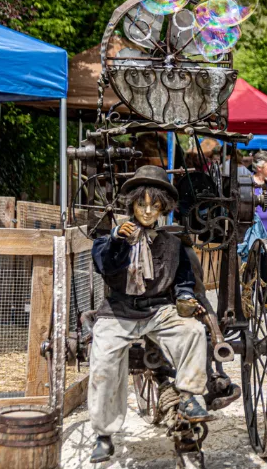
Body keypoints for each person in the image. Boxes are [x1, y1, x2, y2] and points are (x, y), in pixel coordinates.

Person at [88, 166, 212, 463]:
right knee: (103, 359)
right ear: (131, 204)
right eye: (141, 204)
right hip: (118, 312)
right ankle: (104, 434)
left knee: (193, 331)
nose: (146, 210)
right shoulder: (111, 239)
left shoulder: (172, 243)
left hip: (158, 310)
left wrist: (184, 297)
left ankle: (189, 397)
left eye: (154, 205)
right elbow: (104, 266)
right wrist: (117, 238)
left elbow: (183, 280)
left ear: (163, 207)